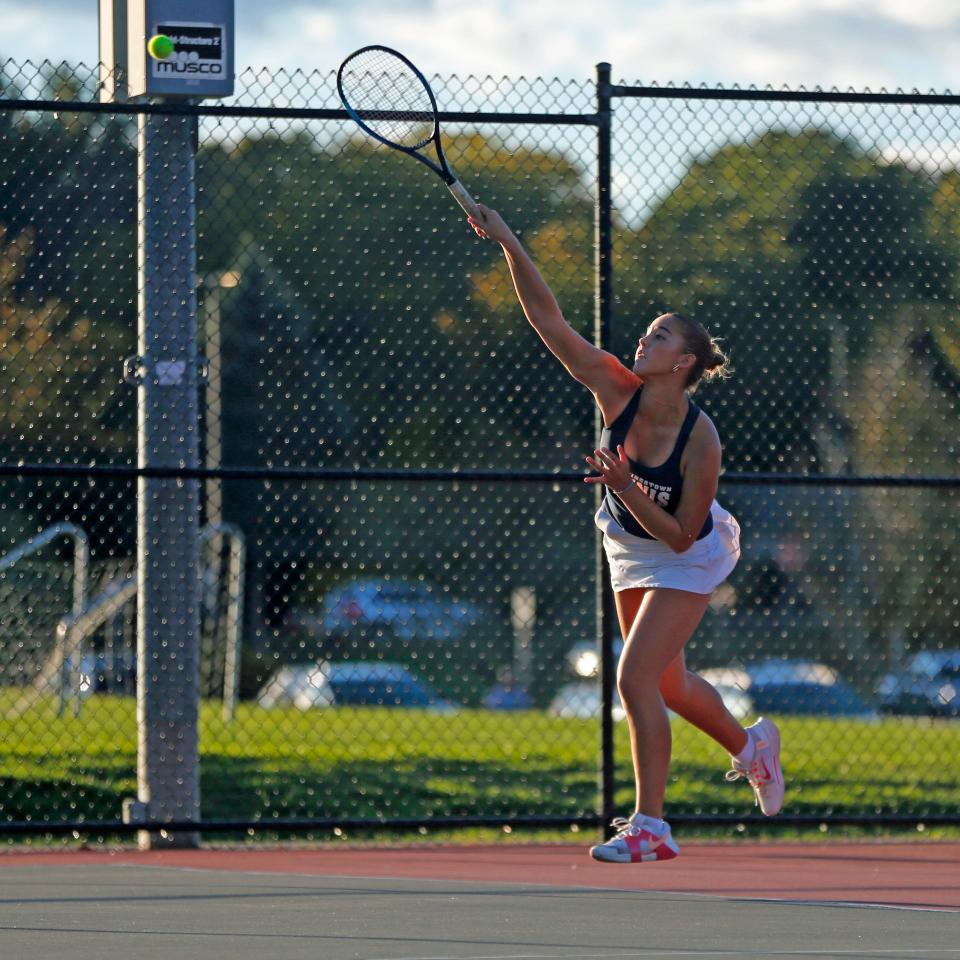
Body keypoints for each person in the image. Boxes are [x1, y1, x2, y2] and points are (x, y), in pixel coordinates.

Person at [468, 205, 784, 864]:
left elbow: (679, 538)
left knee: (633, 679)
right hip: (626, 545)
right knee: (667, 685)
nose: (645, 342)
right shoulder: (616, 388)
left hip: (688, 553)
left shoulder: (702, 441)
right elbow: (549, 321)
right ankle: (752, 747)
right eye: (647, 333)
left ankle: (651, 827)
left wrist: (628, 484)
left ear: (685, 362)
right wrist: (507, 241)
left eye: (660, 337)